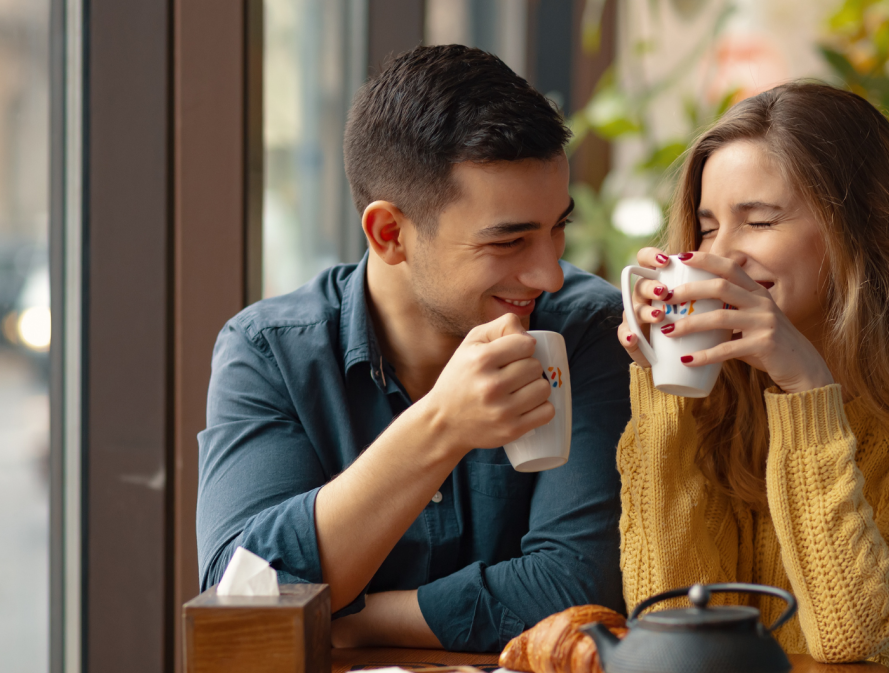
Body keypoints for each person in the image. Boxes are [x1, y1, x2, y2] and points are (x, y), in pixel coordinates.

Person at [196, 45, 632, 653]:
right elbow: (243, 598)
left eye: (556, 227)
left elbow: (580, 589)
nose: (550, 274)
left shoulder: (585, 329)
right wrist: (441, 425)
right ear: (390, 233)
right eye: (509, 241)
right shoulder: (271, 353)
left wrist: (357, 618)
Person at [617, 82, 889, 672]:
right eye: (708, 227)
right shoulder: (728, 392)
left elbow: (850, 632)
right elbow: (672, 624)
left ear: (863, 228)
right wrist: (669, 392)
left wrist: (808, 393)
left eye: (759, 220)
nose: (722, 254)